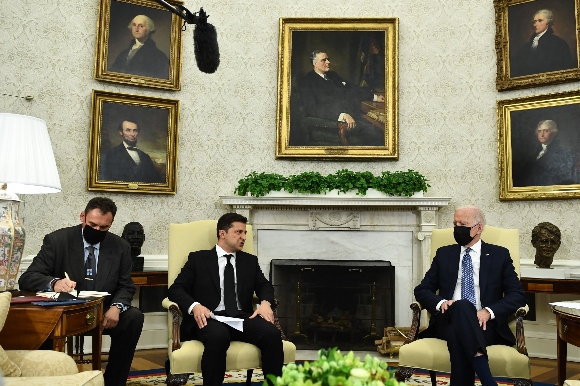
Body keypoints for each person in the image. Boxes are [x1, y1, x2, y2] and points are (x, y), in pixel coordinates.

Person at [18, 197, 144, 386]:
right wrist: (54, 283)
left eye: (103, 228)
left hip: (103, 308)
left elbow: (126, 286)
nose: (97, 231)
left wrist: (117, 307)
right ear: (83, 217)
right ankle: (50, 379)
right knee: (41, 321)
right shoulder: (57, 240)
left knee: (134, 318)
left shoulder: (120, 247)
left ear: (111, 224)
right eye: (92, 225)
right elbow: (27, 278)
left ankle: (113, 382)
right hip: (64, 310)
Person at [414, 205, 526, 386]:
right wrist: (441, 302)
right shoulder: (444, 254)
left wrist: (488, 311)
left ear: (479, 228)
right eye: (455, 223)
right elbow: (422, 290)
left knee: (458, 333)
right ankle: (487, 379)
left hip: (486, 325)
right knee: (462, 305)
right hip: (447, 318)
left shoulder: (499, 255)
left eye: (463, 224)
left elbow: (517, 295)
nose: (457, 228)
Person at [167, 213, 283, 386]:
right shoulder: (198, 259)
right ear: (222, 233)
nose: (244, 237)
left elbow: (265, 286)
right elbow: (176, 289)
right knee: (218, 336)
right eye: (238, 232)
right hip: (209, 318)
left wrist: (265, 303)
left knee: (272, 333)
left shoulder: (249, 261)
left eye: (245, 233)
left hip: (240, 317)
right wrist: (195, 306)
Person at [297, 50, 385, 146]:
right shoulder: (307, 82)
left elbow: (352, 89)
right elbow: (313, 108)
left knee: (381, 127)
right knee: (377, 133)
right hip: (335, 122)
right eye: (324, 60)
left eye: (328, 59)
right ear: (315, 64)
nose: (328, 62)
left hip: (354, 115)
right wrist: (342, 115)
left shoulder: (333, 75)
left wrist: (374, 97)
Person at [511, 9, 575, 77]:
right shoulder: (526, 47)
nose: (535, 24)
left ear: (548, 23)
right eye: (534, 22)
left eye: (540, 20)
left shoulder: (559, 44)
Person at [100, 118, 164, 183]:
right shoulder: (110, 155)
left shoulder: (145, 157)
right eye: (128, 130)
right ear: (121, 132)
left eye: (135, 131)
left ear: (138, 133)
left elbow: (156, 181)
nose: (132, 134)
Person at [515, 120, 575, 187]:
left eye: (546, 131)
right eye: (539, 131)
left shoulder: (561, 153)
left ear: (553, 133)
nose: (542, 135)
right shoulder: (536, 152)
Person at [110, 14, 170, 79]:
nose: (136, 29)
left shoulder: (159, 56)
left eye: (141, 26)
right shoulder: (124, 53)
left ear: (149, 29)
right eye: (134, 25)